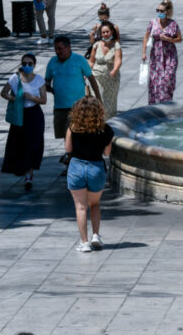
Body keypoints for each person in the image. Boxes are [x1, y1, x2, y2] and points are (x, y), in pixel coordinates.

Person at [65, 96, 114, 252]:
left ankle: (84, 243)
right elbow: (107, 153)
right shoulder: (106, 130)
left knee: (80, 208)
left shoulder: (73, 127)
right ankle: (96, 235)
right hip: (96, 168)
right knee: (95, 204)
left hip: (76, 167)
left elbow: (68, 149)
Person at [45, 36, 101, 159]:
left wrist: (98, 98)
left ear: (69, 48)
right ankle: (72, 160)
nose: (58, 52)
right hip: (59, 106)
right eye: (56, 49)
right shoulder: (52, 62)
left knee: (73, 133)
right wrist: (47, 86)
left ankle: (72, 161)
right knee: (65, 135)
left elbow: (91, 79)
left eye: (60, 49)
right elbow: (47, 79)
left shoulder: (80, 60)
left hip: (78, 107)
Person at [0, 53, 47, 191]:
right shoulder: (14, 78)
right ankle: (21, 168)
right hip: (20, 114)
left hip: (34, 114)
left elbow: (44, 100)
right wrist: (14, 98)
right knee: (19, 143)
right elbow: (3, 93)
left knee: (34, 144)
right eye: (24, 63)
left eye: (29, 64)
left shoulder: (39, 80)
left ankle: (29, 175)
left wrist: (31, 97)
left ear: (34, 65)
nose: (27, 66)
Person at [143, 0, 182, 104]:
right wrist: (143, 52)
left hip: (170, 55)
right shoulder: (153, 23)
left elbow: (179, 39)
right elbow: (146, 37)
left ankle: (167, 103)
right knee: (155, 81)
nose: (159, 13)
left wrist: (167, 39)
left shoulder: (173, 24)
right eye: (158, 10)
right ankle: (154, 104)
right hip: (156, 55)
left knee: (167, 79)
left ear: (167, 12)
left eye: (162, 11)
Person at [89, 22, 122, 118]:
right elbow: (91, 61)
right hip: (97, 76)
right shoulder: (96, 45)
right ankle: (97, 123)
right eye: (103, 32)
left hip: (111, 78)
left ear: (112, 32)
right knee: (96, 101)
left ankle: (109, 124)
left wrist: (114, 70)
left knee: (109, 103)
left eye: (107, 32)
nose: (105, 34)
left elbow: (118, 60)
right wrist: (86, 73)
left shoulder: (116, 45)